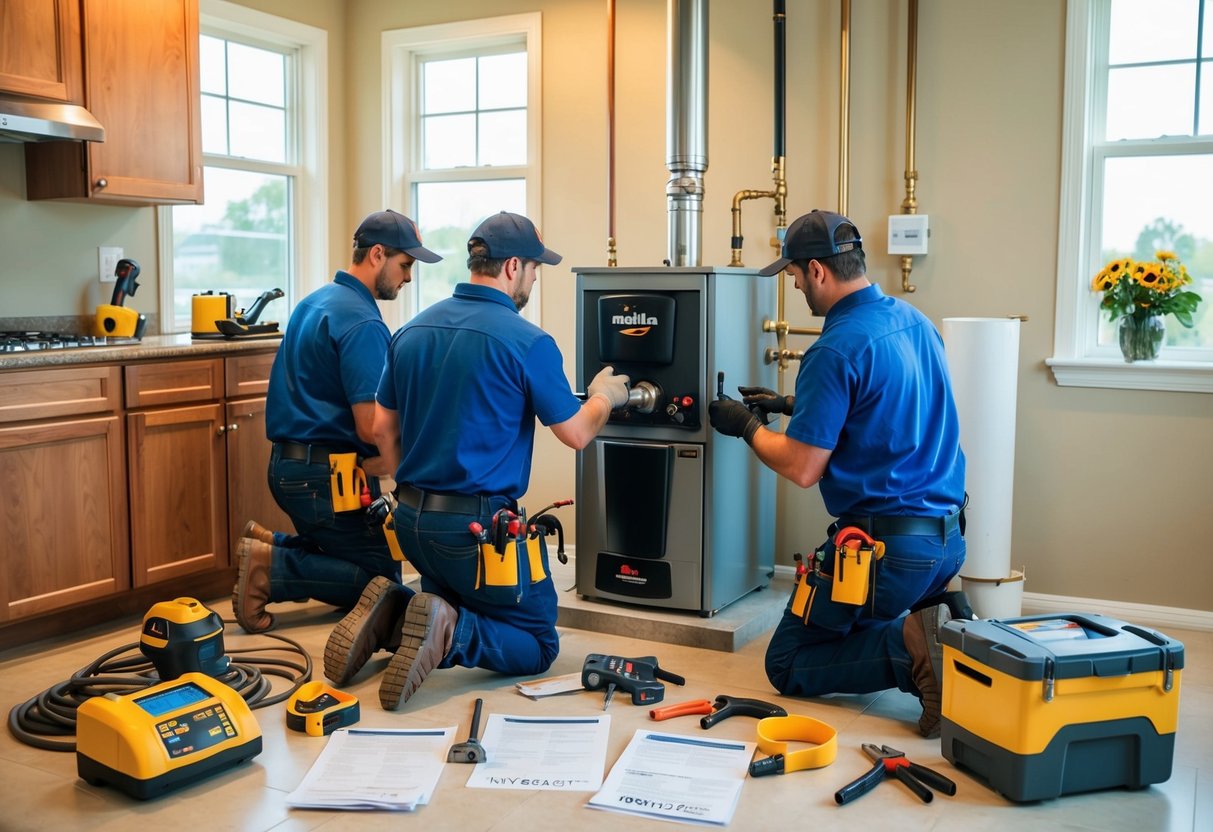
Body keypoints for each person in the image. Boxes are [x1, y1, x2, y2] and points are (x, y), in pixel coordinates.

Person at [329, 210, 629, 711]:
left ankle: (402, 615)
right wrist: (604, 397)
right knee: (538, 644)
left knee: (451, 597)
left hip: (410, 526)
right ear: (513, 266)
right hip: (476, 535)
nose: (534, 279)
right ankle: (451, 634)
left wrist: (412, 493)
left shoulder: (411, 330)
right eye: (535, 269)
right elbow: (576, 434)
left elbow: (382, 428)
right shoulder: (528, 341)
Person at [708, 209, 967, 738]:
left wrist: (745, 428)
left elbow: (803, 467)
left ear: (819, 271)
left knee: (787, 662)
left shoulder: (834, 346)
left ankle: (911, 646)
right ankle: (943, 633)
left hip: (884, 557)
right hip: (945, 542)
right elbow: (885, 408)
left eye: (796, 274)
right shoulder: (914, 320)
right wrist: (791, 405)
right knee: (846, 622)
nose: (797, 284)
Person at [233, 209, 442, 680]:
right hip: (325, 478)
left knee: (355, 554)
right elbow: (372, 428)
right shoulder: (362, 322)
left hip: (291, 468)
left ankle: (276, 547)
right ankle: (275, 565)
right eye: (406, 265)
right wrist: (399, 461)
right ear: (377, 255)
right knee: (383, 585)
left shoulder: (316, 301)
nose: (408, 278)